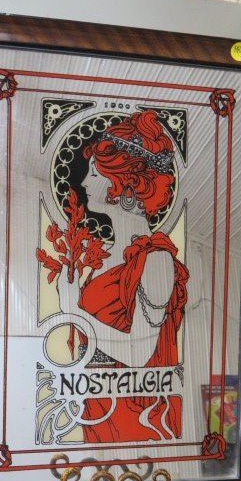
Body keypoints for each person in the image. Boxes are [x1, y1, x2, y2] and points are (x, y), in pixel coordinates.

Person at [58, 110, 189, 443]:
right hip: (96, 398)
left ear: (123, 184)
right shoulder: (106, 253)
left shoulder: (156, 258)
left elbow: (139, 355)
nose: (84, 183)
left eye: (94, 173)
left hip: (134, 412)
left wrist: (71, 310)